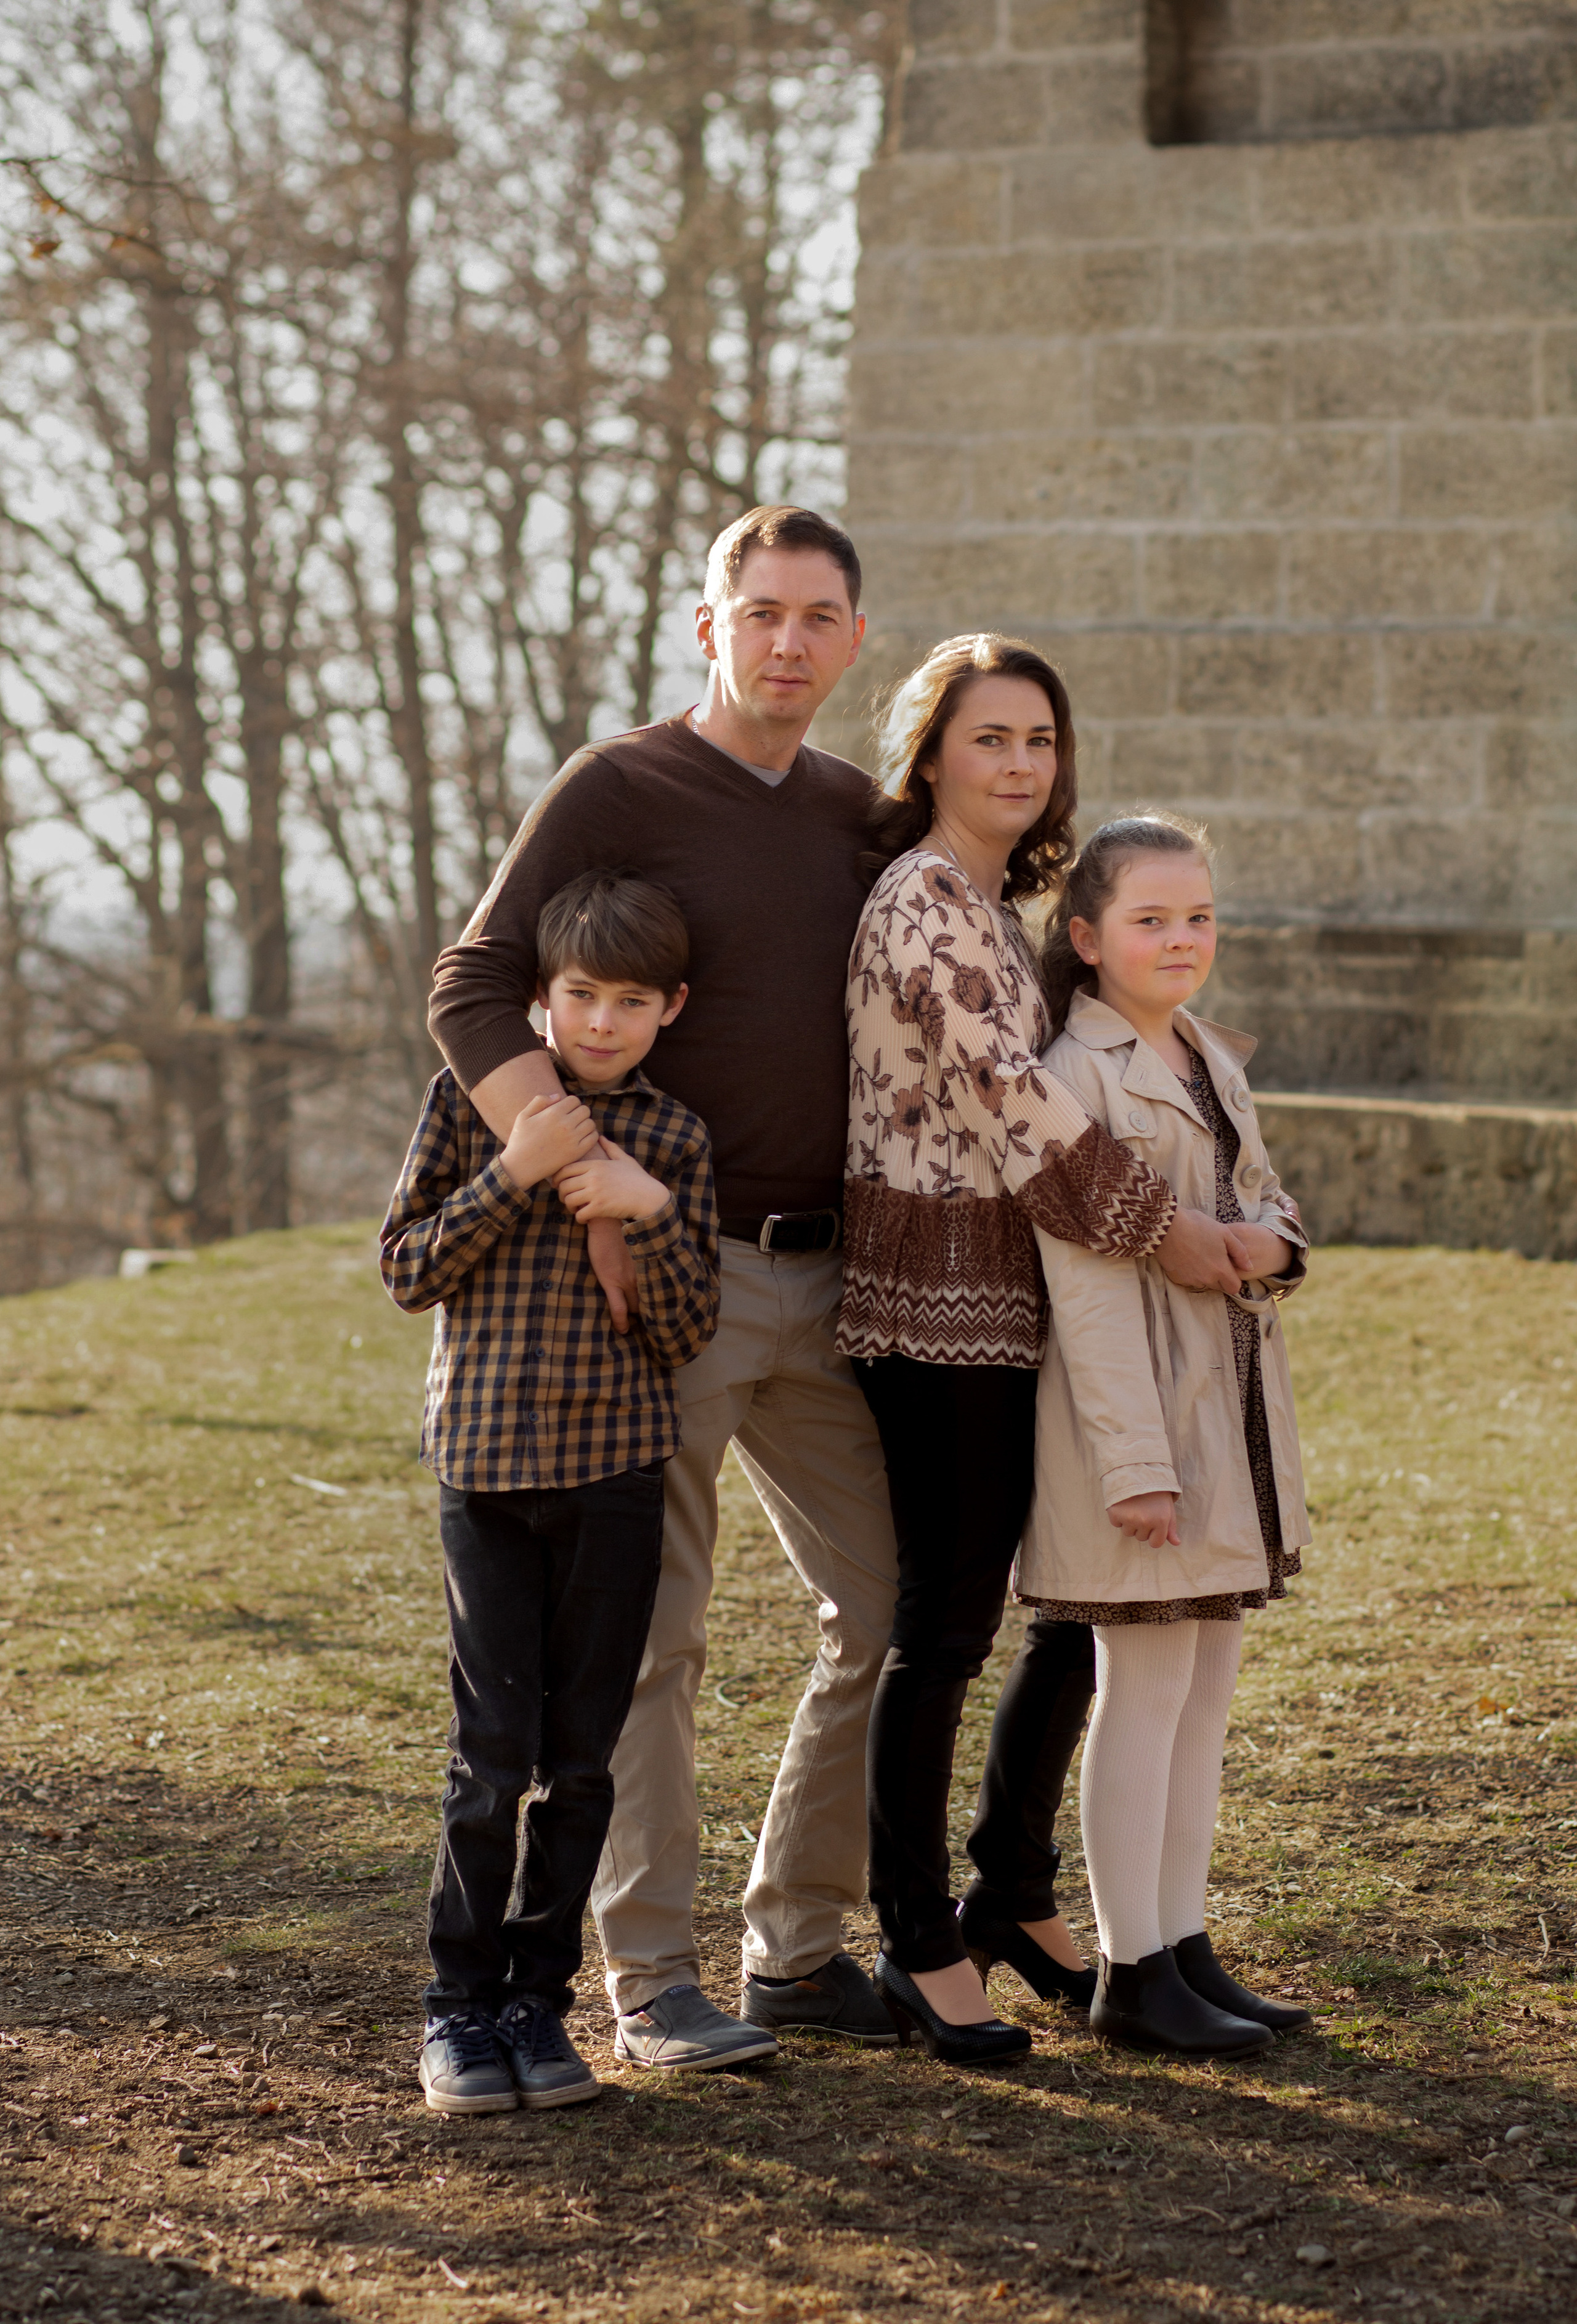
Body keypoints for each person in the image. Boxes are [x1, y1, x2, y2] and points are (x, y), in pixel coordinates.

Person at [426, 510, 1224, 2070]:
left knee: (886, 1608)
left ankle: (795, 1944)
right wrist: (578, 1162)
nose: (786, 639)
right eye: (760, 610)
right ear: (705, 622)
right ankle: (649, 1975)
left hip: (840, 1284)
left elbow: (972, 993)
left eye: (818, 616)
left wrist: (1166, 1033)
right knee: (658, 1634)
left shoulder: (865, 817)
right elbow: (472, 978)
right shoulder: (616, 783)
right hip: (664, 1268)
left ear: (856, 640)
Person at [841, 633, 1190, 2066]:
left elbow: (1069, 1058)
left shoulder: (1001, 902)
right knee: (945, 1628)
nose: (1019, 763)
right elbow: (1012, 1101)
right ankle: (920, 1939)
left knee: (1069, 1603)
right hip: (928, 1313)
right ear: (929, 754)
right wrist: (1169, 1229)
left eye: (1038, 740)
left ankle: (1013, 1889)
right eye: (990, 737)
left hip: (1022, 1296)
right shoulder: (921, 902)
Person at [381, 870, 720, 2113]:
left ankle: (538, 2001)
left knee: (582, 1761)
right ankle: (456, 2009)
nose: (601, 1023)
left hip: (616, 1477)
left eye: (633, 1001)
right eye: (582, 994)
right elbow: (406, 1268)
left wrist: (655, 1211)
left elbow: (686, 1333)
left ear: (669, 1008)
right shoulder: (468, 1107)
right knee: (491, 1757)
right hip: (484, 1475)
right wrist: (515, 1170)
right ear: (541, 996)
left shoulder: (674, 1136)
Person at [1015, 813, 1316, 2058]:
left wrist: (1277, 1243)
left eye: (1196, 916)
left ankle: (1183, 1942)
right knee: (1136, 1690)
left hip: (1227, 1408)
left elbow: (1262, 1194)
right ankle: (1128, 1967)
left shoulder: (1202, 1050)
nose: (1179, 938)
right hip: (1129, 1432)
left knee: (1202, 1687)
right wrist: (1134, 1466)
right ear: (1085, 939)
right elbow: (1081, 1285)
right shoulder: (1072, 1074)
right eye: (1149, 918)